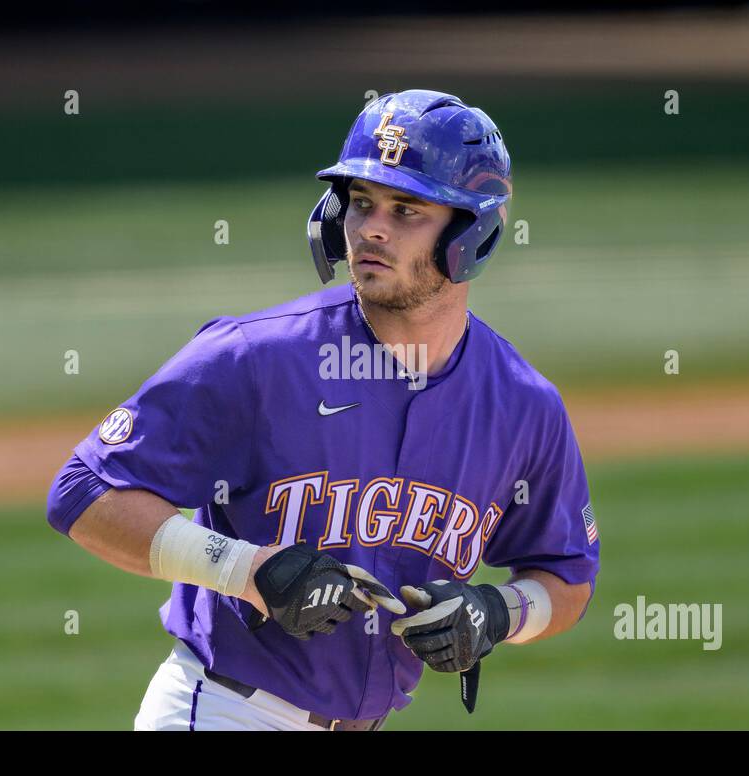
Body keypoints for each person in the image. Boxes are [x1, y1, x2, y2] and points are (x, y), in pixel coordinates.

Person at [47, 89, 600, 731]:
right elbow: (84, 493)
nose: (372, 227)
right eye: (362, 202)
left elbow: (566, 579)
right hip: (225, 712)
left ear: (471, 232)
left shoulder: (523, 405)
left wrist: (496, 612)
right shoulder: (257, 357)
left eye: (406, 209)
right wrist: (251, 570)